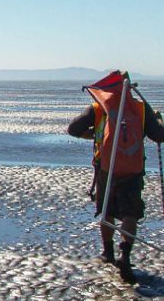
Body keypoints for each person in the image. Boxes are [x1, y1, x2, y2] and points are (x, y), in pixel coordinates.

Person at [67, 70, 164, 283]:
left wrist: (94, 134)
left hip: (106, 168)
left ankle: (108, 253)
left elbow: (73, 128)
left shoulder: (100, 107)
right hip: (133, 169)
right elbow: (159, 135)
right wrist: (159, 121)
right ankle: (125, 254)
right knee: (130, 214)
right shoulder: (139, 107)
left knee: (106, 211)